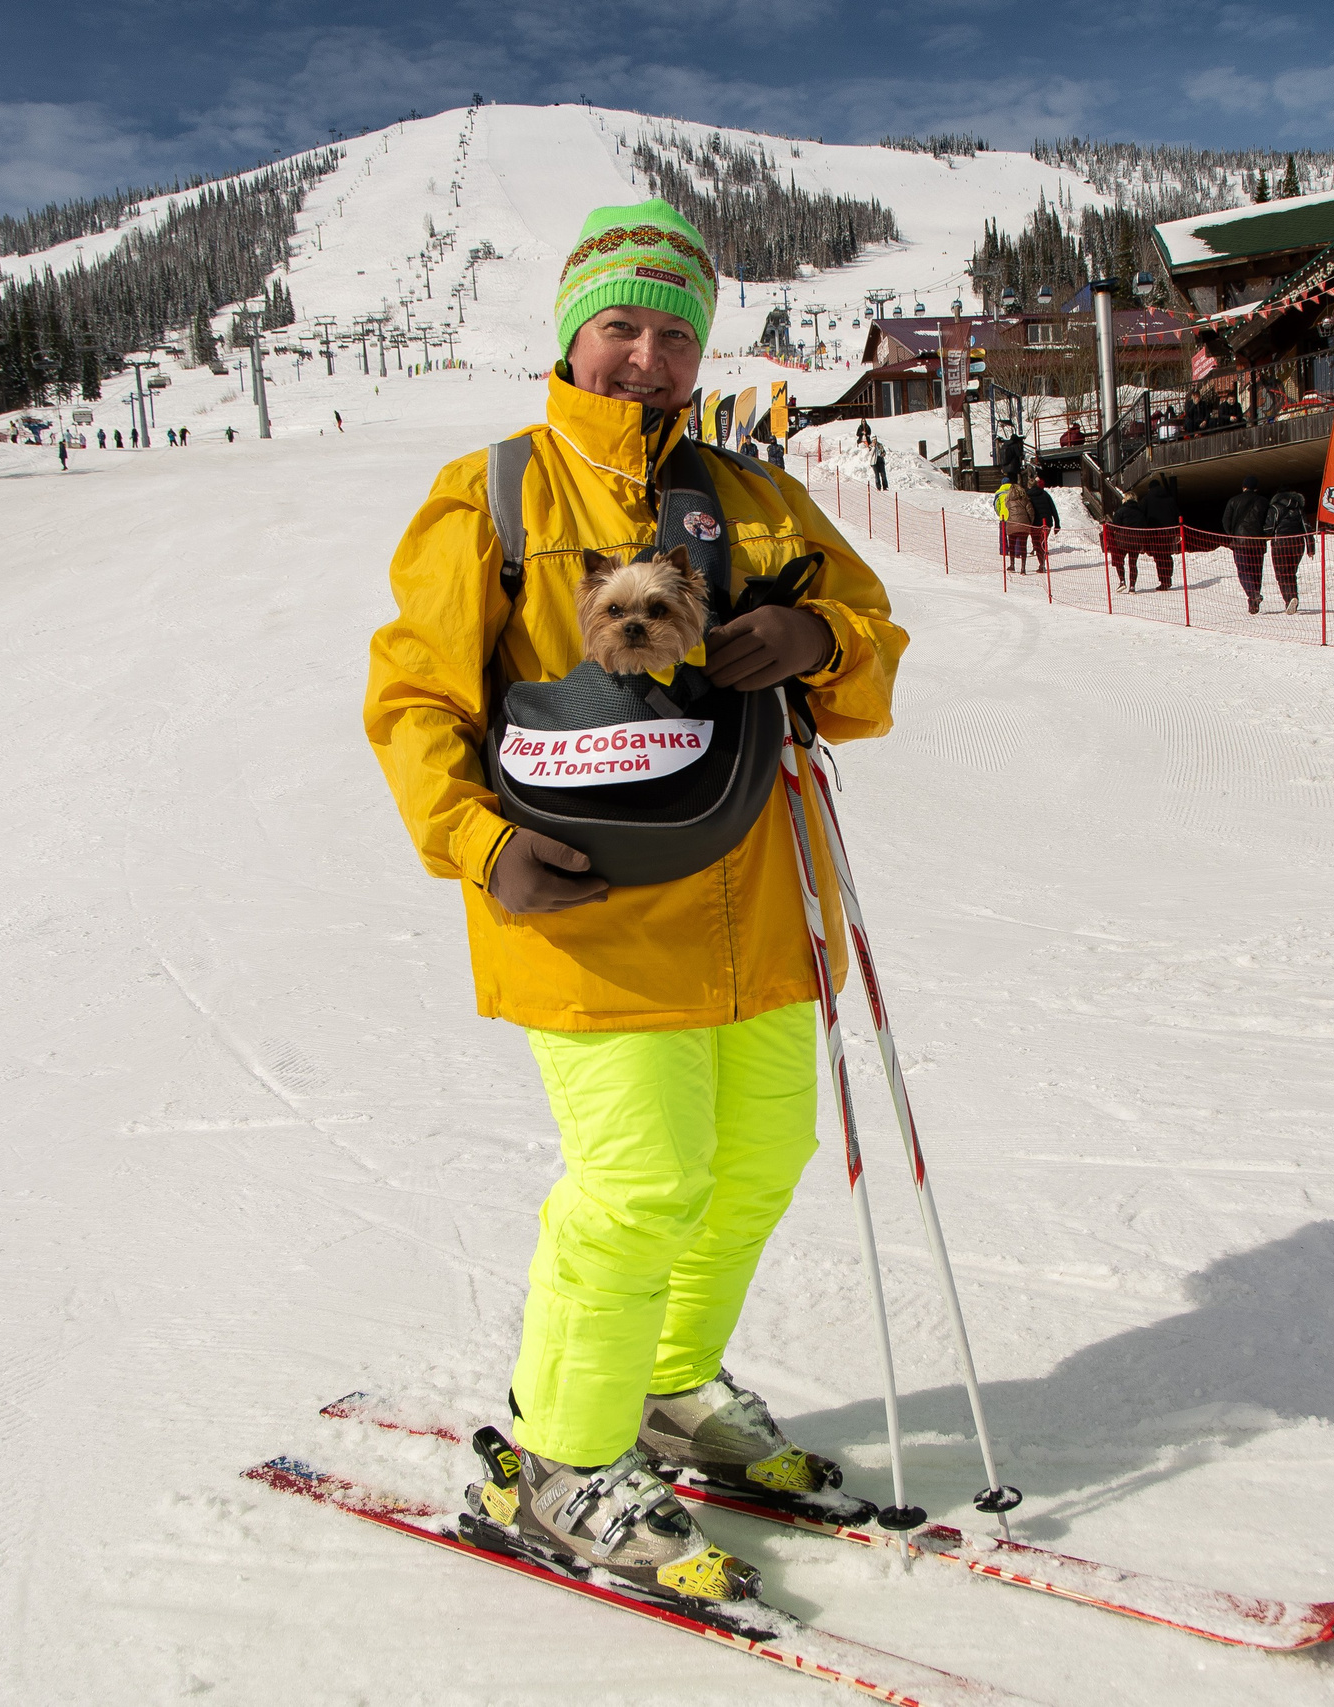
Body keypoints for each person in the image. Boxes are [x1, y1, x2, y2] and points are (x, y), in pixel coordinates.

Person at [365, 197, 905, 1604]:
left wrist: (817, 633)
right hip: (590, 912)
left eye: (676, 334)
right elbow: (415, 697)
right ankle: (560, 1454)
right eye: (623, 326)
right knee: (641, 1183)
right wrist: (476, 842)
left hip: (762, 903)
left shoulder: (754, 495)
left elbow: (865, 637)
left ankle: (667, 1389)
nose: (649, 357)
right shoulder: (494, 494)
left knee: (756, 1164)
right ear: (572, 336)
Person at [1220, 478, 1272, 612]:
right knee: (1256, 571)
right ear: (1256, 488)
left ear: (1243, 487)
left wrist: (1233, 534)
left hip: (1240, 542)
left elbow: (1226, 521)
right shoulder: (1264, 502)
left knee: (1243, 570)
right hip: (1258, 542)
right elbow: (1268, 521)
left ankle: (1253, 594)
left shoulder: (1233, 501)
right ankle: (1254, 602)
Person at [1262, 487, 1311, 613]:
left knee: (1281, 574)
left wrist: (1260, 538)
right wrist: (1311, 548)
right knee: (1291, 572)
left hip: (1281, 544)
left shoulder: (1275, 508)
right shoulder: (1299, 509)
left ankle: (1289, 599)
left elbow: (1269, 528)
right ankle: (1293, 597)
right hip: (1298, 544)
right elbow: (1307, 527)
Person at [995, 476, 1036, 571]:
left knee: (1011, 545)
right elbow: (1031, 512)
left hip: (1011, 524)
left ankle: (1012, 565)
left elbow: (1000, 507)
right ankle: (1023, 568)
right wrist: (1030, 522)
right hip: (1023, 525)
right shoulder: (1025, 500)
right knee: (1023, 546)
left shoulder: (1008, 501)